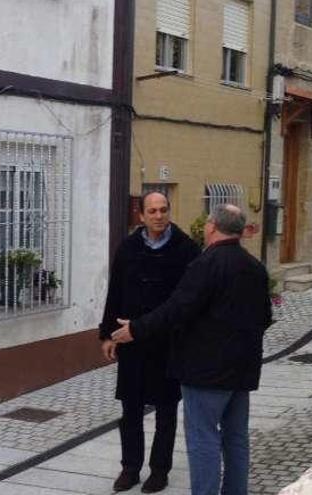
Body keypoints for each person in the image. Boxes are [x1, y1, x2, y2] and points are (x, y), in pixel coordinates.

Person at [111, 204, 272, 495]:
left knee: (203, 439)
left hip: (206, 372)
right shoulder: (255, 267)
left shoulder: (205, 264)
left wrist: (135, 329)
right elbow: (265, 318)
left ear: (211, 226)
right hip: (242, 370)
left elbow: (176, 309)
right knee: (236, 437)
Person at [99, 191, 201, 493]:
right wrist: (107, 333)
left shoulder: (186, 250)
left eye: (163, 209)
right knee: (130, 409)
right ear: (141, 215)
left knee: (166, 410)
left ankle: (160, 470)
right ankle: (130, 468)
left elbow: (190, 300)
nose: (158, 215)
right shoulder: (128, 248)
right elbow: (114, 291)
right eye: (152, 211)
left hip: (167, 342)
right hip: (130, 341)